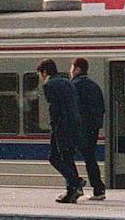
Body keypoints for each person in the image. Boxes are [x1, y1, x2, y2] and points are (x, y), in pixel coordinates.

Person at [37, 59, 84, 203]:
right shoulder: (67, 82)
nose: (40, 77)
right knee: (67, 156)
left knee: (54, 157)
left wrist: (54, 125)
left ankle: (75, 181)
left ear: (45, 72)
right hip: (74, 124)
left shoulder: (49, 85)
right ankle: (72, 191)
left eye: (40, 73)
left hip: (61, 126)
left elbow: (54, 108)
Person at [70, 57, 106, 200]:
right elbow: (101, 107)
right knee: (90, 158)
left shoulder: (75, 85)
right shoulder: (94, 85)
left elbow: (73, 108)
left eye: (72, 67)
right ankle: (98, 189)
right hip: (93, 127)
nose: (70, 71)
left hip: (80, 128)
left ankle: (75, 186)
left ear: (77, 69)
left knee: (65, 156)